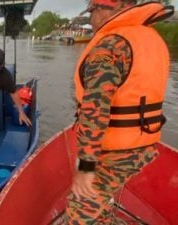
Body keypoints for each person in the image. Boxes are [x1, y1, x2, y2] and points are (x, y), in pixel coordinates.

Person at [66, 0, 172, 224]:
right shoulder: (151, 39)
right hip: (144, 141)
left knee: (81, 207)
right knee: (100, 198)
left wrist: (86, 167)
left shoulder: (110, 46)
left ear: (104, 9)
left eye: (92, 12)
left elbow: (95, 111)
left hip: (118, 150)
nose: (91, 20)